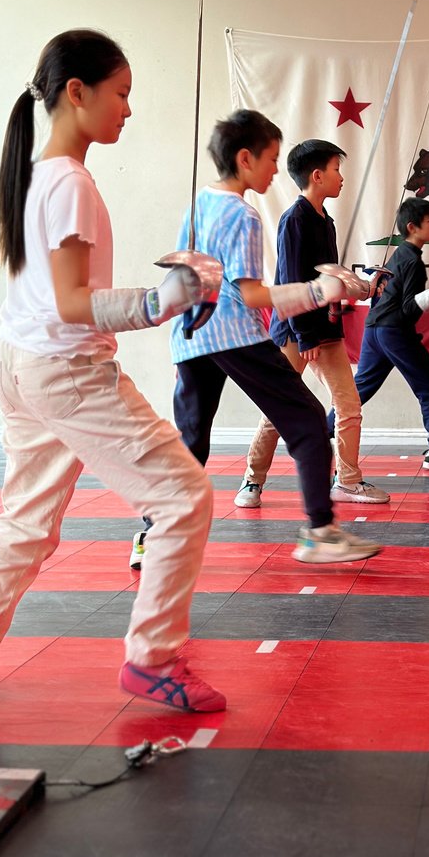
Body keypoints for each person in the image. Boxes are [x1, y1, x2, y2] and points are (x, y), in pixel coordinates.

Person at [0, 29, 225, 712]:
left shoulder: (35, 172)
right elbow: (75, 306)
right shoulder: (69, 181)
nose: (128, 109)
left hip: (19, 363)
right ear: (78, 92)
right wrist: (165, 298)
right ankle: (153, 660)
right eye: (122, 93)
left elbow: (51, 298)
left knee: (24, 524)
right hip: (66, 372)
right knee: (183, 498)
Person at [169, 110, 383, 564]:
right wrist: (318, 291)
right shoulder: (246, 215)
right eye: (270, 159)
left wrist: (341, 285)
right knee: (305, 421)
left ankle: (152, 535)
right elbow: (250, 295)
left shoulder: (198, 204)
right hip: (231, 334)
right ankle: (320, 532)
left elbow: (186, 277)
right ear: (245, 159)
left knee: (191, 441)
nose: (274, 169)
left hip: (190, 338)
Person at [239, 139, 389, 508]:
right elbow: (292, 280)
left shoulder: (328, 222)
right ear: (317, 175)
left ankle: (348, 481)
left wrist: (365, 285)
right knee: (279, 408)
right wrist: (305, 335)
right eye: (337, 170)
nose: (342, 178)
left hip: (326, 330)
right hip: (296, 332)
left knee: (349, 404)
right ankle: (252, 480)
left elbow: (328, 280)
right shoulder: (295, 220)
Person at [330, 198, 429, 471]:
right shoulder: (412, 262)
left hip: (375, 328)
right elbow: (407, 309)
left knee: (359, 390)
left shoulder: (400, 254)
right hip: (394, 331)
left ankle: (321, 433)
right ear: (413, 227)